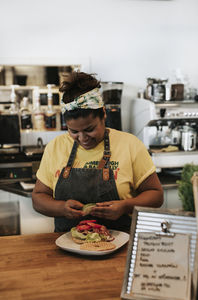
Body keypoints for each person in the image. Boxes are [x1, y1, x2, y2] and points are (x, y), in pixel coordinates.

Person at [32, 71, 163, 233]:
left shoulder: (130, 145)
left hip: (120, 245)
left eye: (89, 129)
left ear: (104, 115)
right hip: (66, 245)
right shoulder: (55, 147)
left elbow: (156, 196)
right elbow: (38, 198)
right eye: (73, 131)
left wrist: (125, 206)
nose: (82, 138)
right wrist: (61, 208)